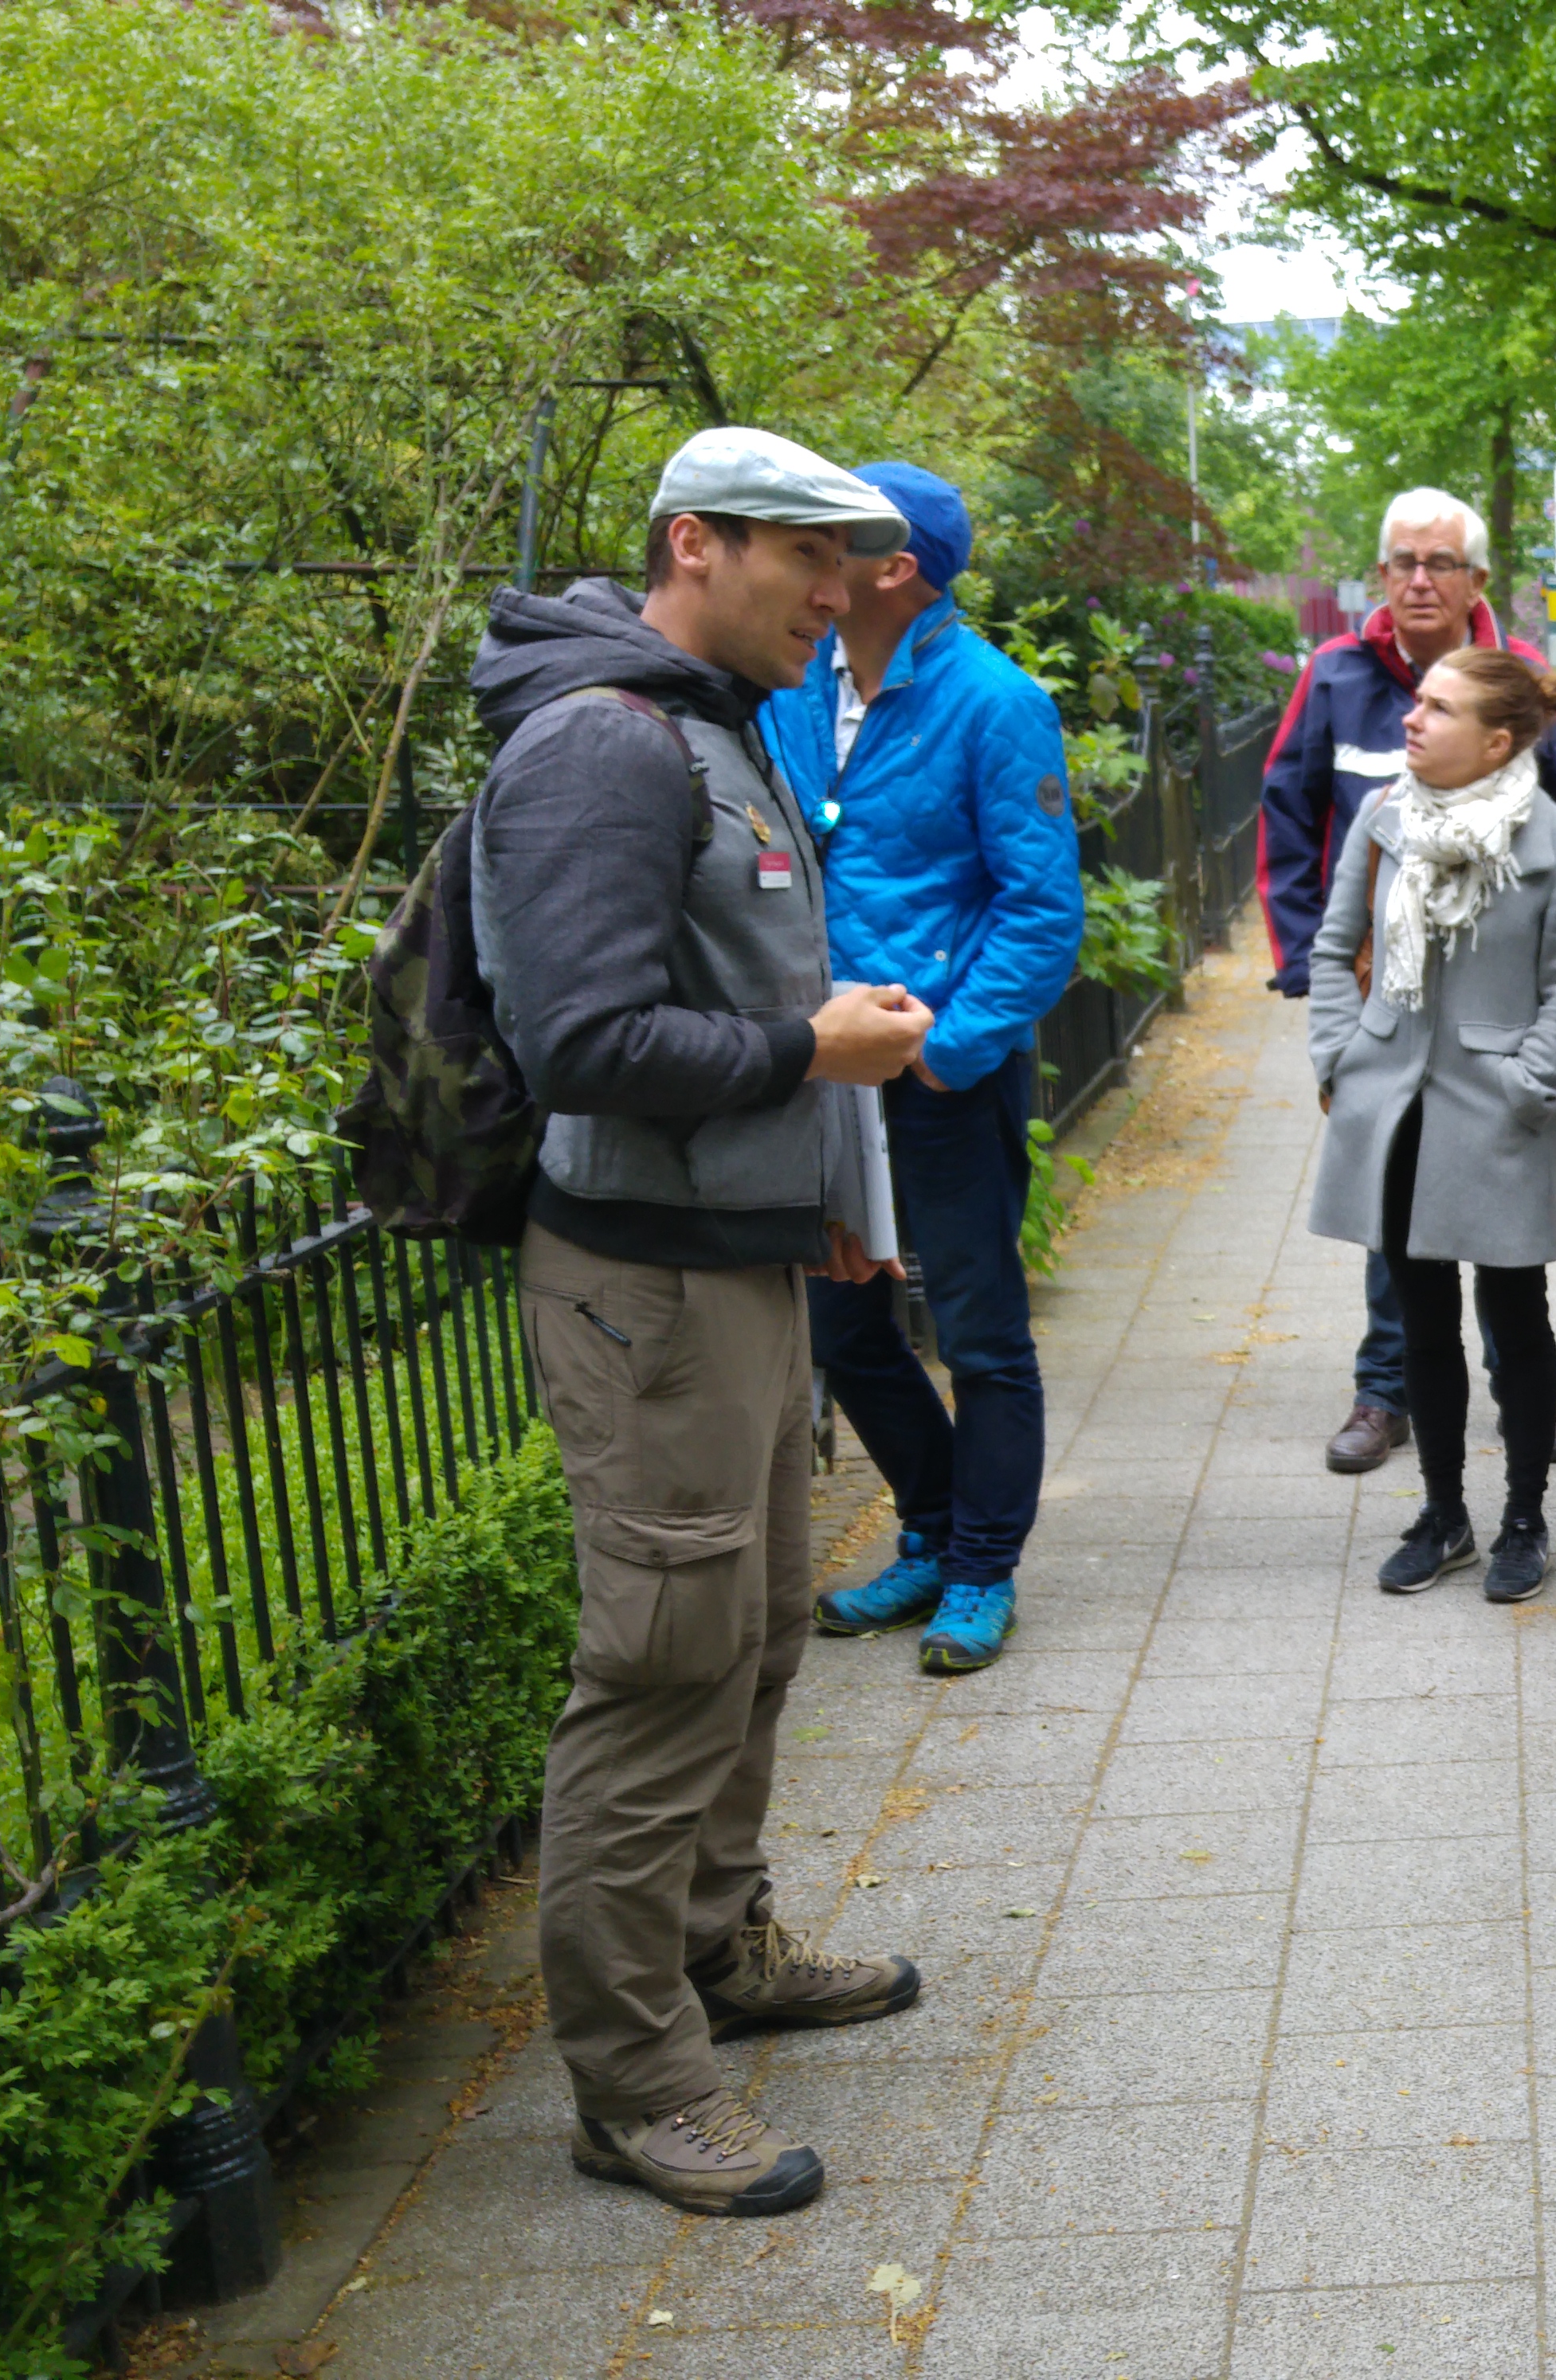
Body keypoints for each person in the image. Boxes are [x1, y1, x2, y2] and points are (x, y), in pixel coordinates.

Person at [470, 426, 939, 2216]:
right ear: (694, 544)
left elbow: (698, 992)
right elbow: (579, 1044)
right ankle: (633, 2083)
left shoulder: (700, 718)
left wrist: (805, 1175)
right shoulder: (601, 744)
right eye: (805, 559)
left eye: (849, 565)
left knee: (748, 1636)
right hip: (643, 1289)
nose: (839, 598)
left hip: (725, 1261)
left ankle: (718, 1953)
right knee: (661, 1668)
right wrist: (812, 1050)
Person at [752, 462, 1082, 1677]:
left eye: (828, 542)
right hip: (823, 1068)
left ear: (897, 568)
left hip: (945, 1073)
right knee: (845, 1328)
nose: (808, 562)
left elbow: (1042, 909)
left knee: (982, 1333)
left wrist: (948, 1049)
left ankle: (984, 1570)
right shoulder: (790, 684)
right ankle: (937, 1532)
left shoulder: (996, 703)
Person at [1261, 489, 1556, 1479]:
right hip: (1382, 1003)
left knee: (1492, 1232)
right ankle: (1385, 1387)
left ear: (1474, 580)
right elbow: (1286, 809)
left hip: (1486, 1015)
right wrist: (1320, 1014)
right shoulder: (1334, 675)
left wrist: (1542, 1056)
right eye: (1401, 561)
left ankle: (1518, 1396)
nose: (1417, 579)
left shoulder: (1519, 690)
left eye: (1439, 562)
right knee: (1392, 1209)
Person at [1305, 648, 1556, 1604]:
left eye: (1439, 708)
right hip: (1390, 1105)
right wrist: (1338, 1057)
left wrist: (1529, 1081)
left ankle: (1524, 1517)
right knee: (1418, 1318)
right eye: (1417, 701)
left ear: (1497, 739)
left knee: (1516, 1321)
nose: (1413, 720)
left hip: (1497, 1110)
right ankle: (1443, 1515)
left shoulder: (1555, 843)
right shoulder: (1384, 816)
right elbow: (1330, 946)